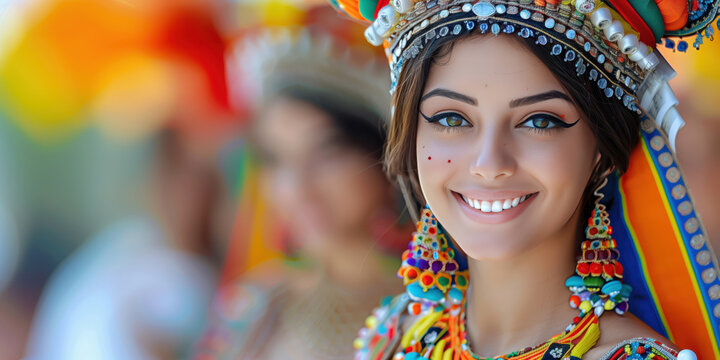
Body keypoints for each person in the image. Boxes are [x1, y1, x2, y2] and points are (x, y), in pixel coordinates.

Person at [329, 0, 720, 359]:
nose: (489, 162)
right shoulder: (395, 335)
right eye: (452, 119)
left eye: (539, 121)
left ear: (599, 153)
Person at [193, 6, 407, 359]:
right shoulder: (251, 308)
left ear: (385, 155)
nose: (297, 186)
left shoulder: (433, 310)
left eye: (328, 152)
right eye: (277, 159)